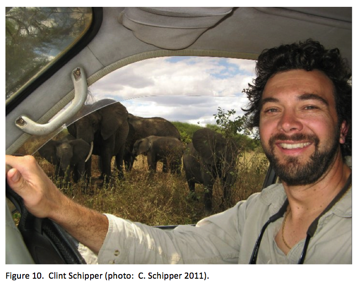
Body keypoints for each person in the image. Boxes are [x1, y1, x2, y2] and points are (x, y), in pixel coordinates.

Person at [6, 39, 352, 264]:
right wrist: (56, 204)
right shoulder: (261, 209)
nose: (287, 124)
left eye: (310, 107)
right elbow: (175, 252)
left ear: (343, 127)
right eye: (272, 110)